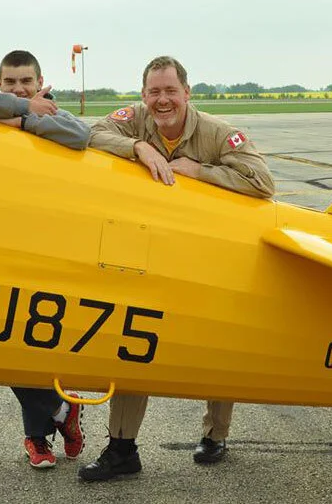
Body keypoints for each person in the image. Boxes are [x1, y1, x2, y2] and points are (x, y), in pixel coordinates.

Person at [79, 55, 275, 482]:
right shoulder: (134, 121)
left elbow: (263, 182)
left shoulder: (218, 134)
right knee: (134, 340)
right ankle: (122, 448)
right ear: (144, 95)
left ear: (187, 93)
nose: (162, 100)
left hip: (210, 257)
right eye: (154, 92)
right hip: (151, 254)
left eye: (171, 91)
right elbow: (93, 131)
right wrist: (137, 146)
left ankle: (215, 436)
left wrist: (200, 171)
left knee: (219, 342)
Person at [0, 50, 89, 468]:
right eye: (9, 83)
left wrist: (28, 118)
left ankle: (39, 439)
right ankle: (62, 412)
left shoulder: (51, 115)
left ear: (40, 80)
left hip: (40, 245)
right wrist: (21, 107)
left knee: (33, 342)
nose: (18, 89)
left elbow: (79, 135)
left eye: (25, 82)